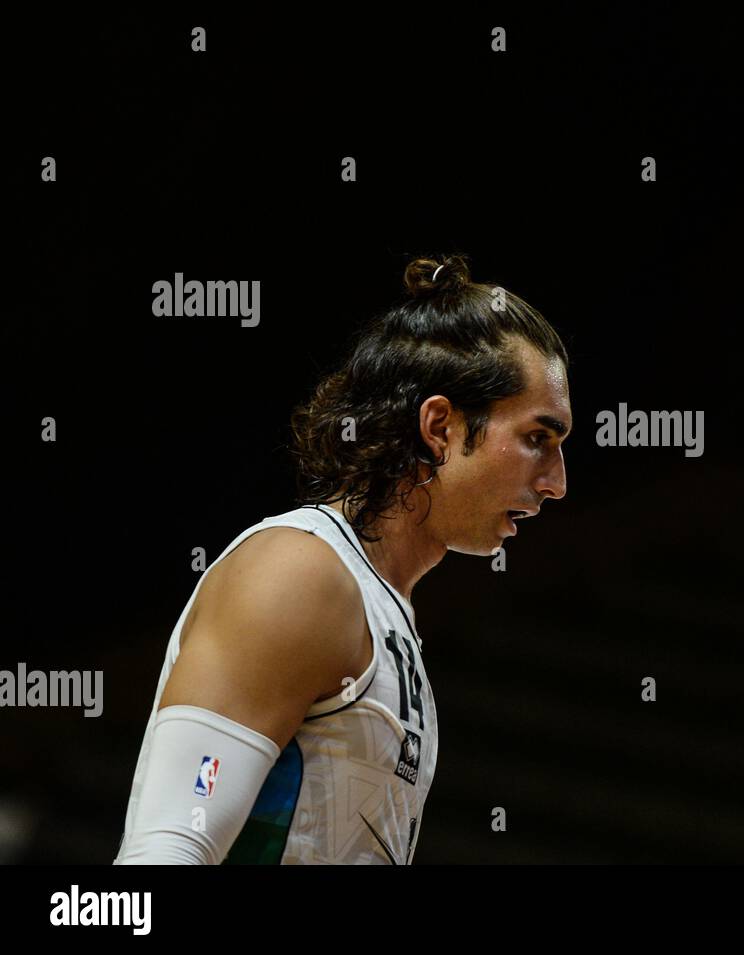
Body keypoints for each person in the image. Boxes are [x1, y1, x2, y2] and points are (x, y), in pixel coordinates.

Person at [113, 254, 571, 863]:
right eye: (537, 438)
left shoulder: (384, 612)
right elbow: (166, 848)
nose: (557, 482)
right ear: (440, 428)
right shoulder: (299, 572)